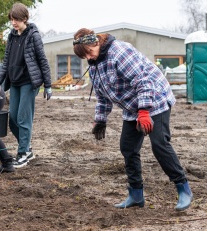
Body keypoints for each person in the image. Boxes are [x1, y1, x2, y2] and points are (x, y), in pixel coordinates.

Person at [72, 28, 193, 211]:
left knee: (159, 143)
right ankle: (136, 195)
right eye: (85, 56)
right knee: (127, 147)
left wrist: (144, 111)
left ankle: (183, 188)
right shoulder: (95, 65)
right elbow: (102, 95)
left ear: (96, 42)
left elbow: (144, 82)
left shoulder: (120, 53)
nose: (89, 57)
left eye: (89, 52)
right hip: (132, 107)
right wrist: (100, 119)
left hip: (155, 98)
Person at [0, 2, 52, 168]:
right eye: (12, 20)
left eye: (16, 20)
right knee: (12, 119)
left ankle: (23, 153)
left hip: (29, 82)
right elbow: (6, 63)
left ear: (25, 19)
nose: (13, 23)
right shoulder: (12, 36)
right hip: (15, 82)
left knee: (23, 118)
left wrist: (47, 84)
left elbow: (42, 59)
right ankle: (27, 148)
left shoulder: (33, 35)